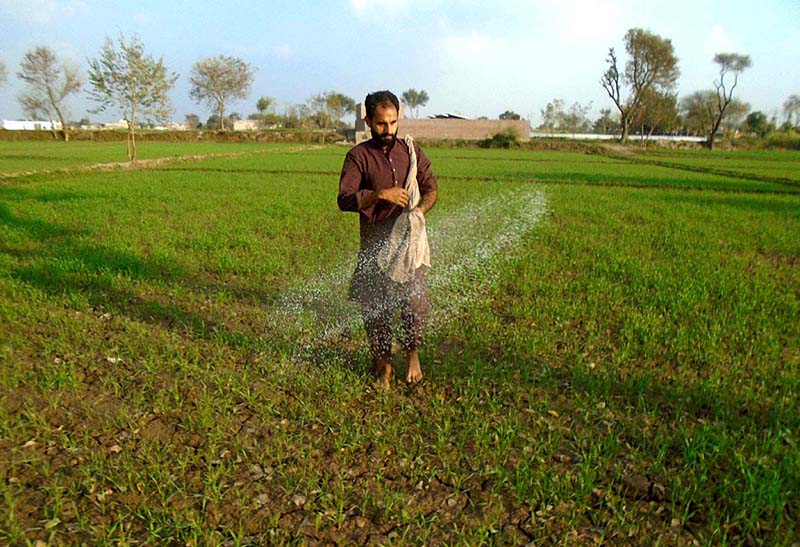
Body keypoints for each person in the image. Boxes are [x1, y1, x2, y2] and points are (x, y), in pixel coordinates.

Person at [338, 90, 438, 389]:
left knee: (414, 305)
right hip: (375, 247)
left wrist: (419, 211)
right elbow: (344, 199)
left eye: (393, 122)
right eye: (381, 123)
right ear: (368, 120)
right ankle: (383, 366)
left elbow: (431, 187)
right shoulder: (358, 157)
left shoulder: (411, 151)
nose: (388, 130)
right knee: (375, 309)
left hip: (409, 247)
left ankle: (412, 356)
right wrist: (380, 195)